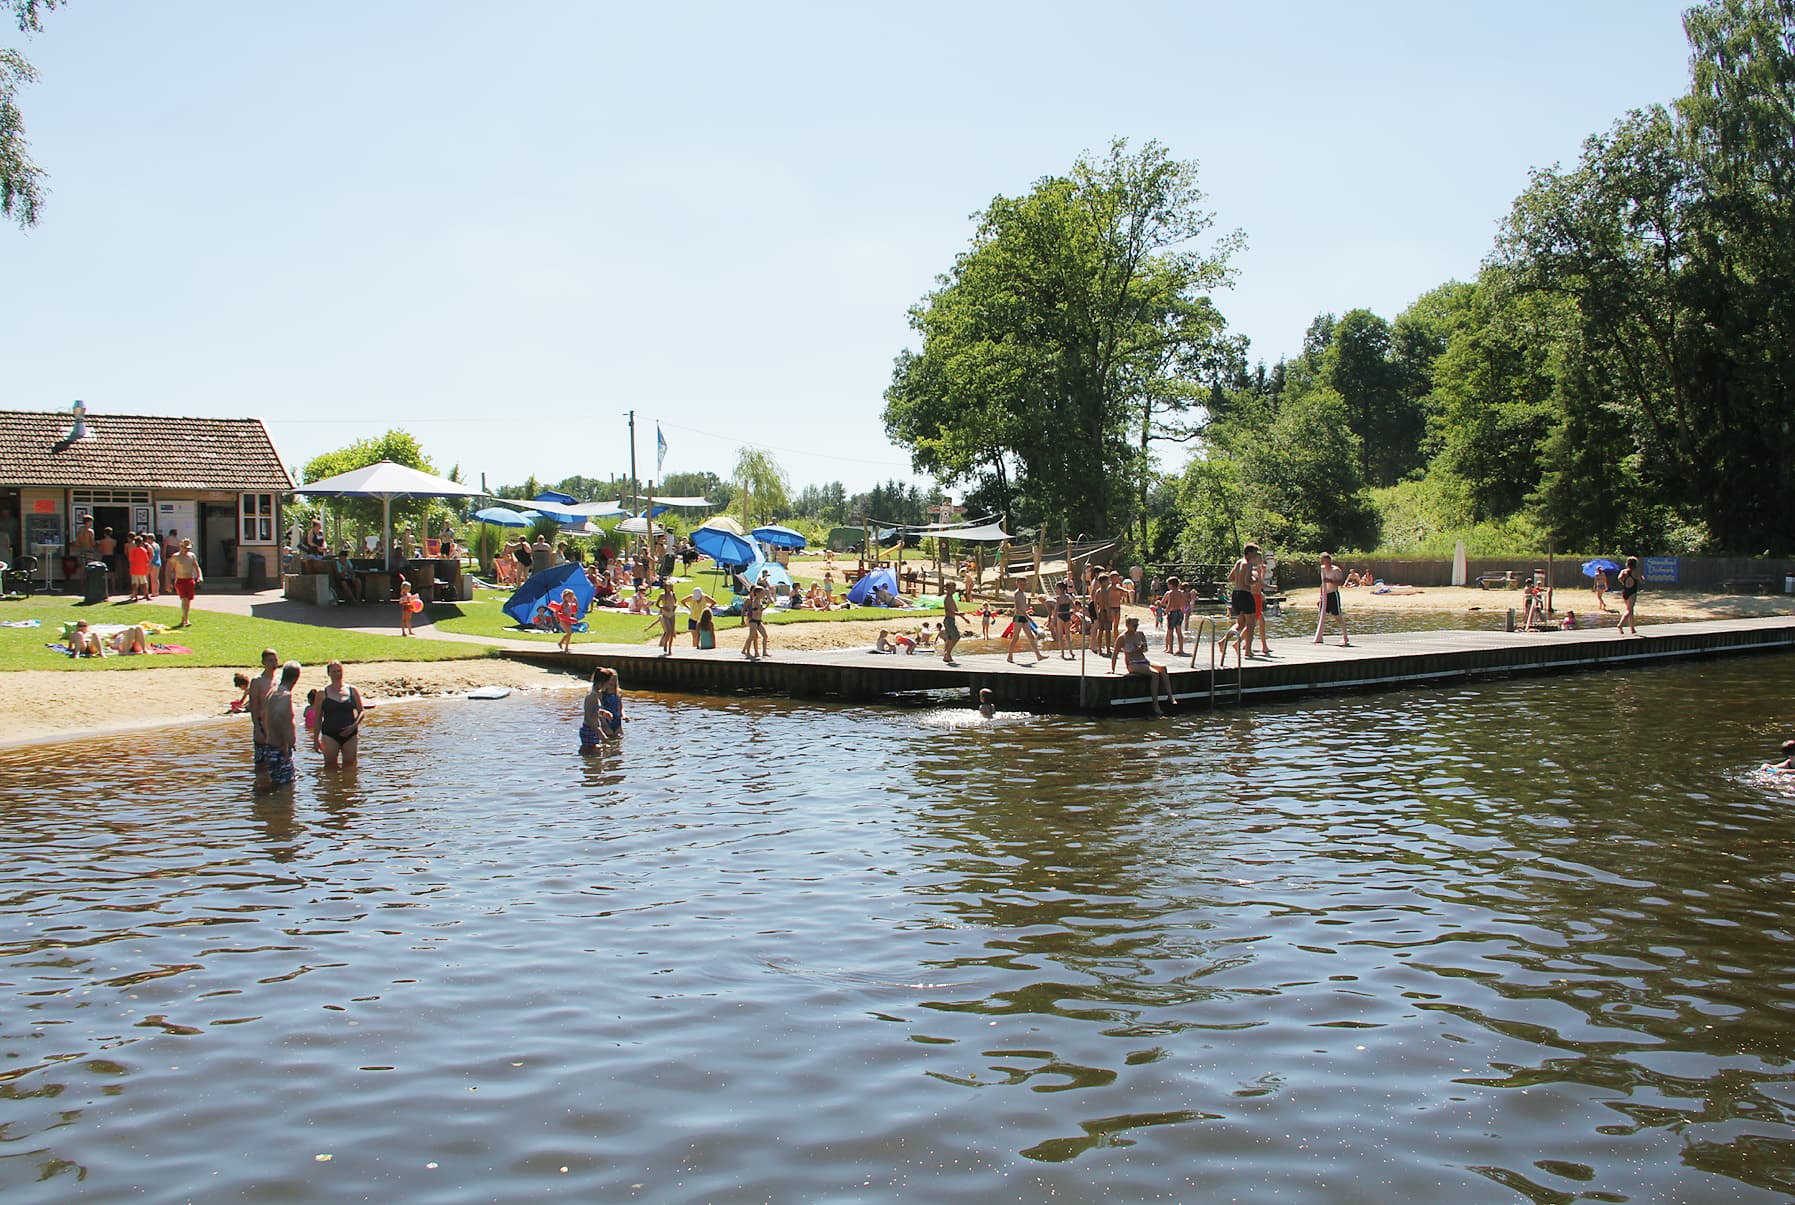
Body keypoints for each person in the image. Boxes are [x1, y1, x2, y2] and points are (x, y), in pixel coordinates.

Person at [1112, 615, 1175, 715]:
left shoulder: (1140, 634)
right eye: (1134, 625)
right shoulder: (1122, 638)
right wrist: (1113, 670)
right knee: (1155, 674)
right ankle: (1155, 704)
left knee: (1163, 668)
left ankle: (1170, 696)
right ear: (1127, 625)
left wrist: (1142, 648)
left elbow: (1146, 650)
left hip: (1144, 660)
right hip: (1133, 663)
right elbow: (1115, 654)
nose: (1136, 627)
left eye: (1137, 625)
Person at [315, 660, 365, 769]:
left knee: (350, 766)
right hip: (330, 734)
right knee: (330, 766)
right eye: (334, 672)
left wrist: (353, 726)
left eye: (339, 671)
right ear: (328, 674)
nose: (337, 674)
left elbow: (361, 712)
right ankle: (331, 786)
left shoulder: (352, 690)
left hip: (350, 734)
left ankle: (349, 786)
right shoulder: (322, 693)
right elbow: (318, 717)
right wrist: (315, 739)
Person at [261, 661, 302, 789]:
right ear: (296, 678)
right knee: (286, 788)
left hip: (269, 746)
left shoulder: (271, 692)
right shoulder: (285, 696)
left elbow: (265, 718)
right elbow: (285, 721)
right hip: (280, 749)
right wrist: (289, 745)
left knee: (275, 784)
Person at [1220, 543, 1263, 657]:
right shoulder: (1248, 564)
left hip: (1236, 594)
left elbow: (1230, 578)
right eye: (1254, 553)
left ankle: (1223, 641)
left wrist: (1240, 578)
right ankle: (1248, 650)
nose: (1256, 555)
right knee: (1251, 624)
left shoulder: (1239, 562)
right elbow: (1247, 582)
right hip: (1245, 594)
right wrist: (1255, 580)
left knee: (1240, 624)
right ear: (1249, 553)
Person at [247, 648, 280, 780]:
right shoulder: (257, 681)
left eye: (275, 660)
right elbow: (254, 706)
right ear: (263, 662)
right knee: (262, 763)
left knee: (277, 759)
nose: (274, 663)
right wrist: (257, 728)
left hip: (277, 724)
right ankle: (260, 786)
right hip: (262, 724)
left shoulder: (279, 680)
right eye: (270, 660)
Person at [580, 666, 623, 751]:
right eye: (608, 683)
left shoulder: (595, 693)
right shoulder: (592, 695)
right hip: (590, 730)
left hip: (592, 729)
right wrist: (601, 734)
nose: (608, 686)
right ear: (602, 682)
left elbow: (592, 710)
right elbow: (589, 718)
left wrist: (603, 712)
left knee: (597, 755)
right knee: (592, 754)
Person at [1313, 552, 1350, 646]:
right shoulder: (1322, 569)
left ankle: (1345, 637)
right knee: (1321, 616)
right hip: (1324, 595)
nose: (1321, 562)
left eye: (1322, 560)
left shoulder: (1336, 570)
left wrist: (1329, 580)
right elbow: (1322, 584)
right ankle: (1319, 636)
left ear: (1328, 560)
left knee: (1337, 617)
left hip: (1333, 595)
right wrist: (1320, 597)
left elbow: (1340, 582)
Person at [1006, 584, 1045, 663]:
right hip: (1018, 617)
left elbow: (1023, 606)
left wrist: (1028, 611)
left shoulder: (1024, 594)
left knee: (1031, 636)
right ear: (1017, 583)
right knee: (1015, 638)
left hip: (1024, 616)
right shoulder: (1017, 593)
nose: (1023, 586)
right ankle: (1009, 656)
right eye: (1021, 584)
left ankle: (1038, 656)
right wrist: (1027, 616)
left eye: (1024, 584)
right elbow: (1018, 608)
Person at [169, 538, 203, 628]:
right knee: (184, 600)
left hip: (190, 580)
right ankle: (185, 620)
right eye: (186, 548)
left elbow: (197, 567)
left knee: (188, 601)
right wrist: (168, 583)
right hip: (180, 580)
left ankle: (184, 618)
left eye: (189, 548)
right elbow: (169, 570)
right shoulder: (175, 557)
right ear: (181, 547)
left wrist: (200, 576)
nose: (187, 550)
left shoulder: (192, 556)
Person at [1161, 575, 1190, 656]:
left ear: (1170, 585)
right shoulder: (1181, 593)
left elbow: (1166, 603)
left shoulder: (1170, 593)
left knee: (1170, 631)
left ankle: (1170, 649)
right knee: (1179, 631)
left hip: (1172, 612)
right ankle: (1180, 649)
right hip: (1180, 612)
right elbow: (1185, 604)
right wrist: (1184, 610)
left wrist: (1166, 610)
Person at [941, 583, 968, 665]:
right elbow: (949, 610)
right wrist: (959, 614)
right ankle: (947, 653)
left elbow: (956, 610)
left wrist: (964, 618)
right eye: (952, 588)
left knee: (949, 638)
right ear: (947, 589)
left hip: (951, 620)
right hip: (949, 620)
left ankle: (946, 656)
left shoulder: (952, 598)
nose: (954, 590)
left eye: (954, 588)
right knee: (956, 637)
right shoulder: (948, 598)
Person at [741, 584, 769, 659]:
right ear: (757, 593)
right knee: (752, 637)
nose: (763, 595)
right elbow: (760, 609)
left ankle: (764, 652)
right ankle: (747, 651)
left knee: (765, 636)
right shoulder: (755, 601)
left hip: (759, 621)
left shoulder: (759, 601)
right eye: (762, 593)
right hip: (753, 621)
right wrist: (767, 605)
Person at [1615, 556, 1642, 636]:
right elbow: (1641, 580)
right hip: (1632, 592)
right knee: (1629, 610)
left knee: (1630, 610)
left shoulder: (1624, 571)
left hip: (1625, 591)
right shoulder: (1636, 571)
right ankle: (1620, 624)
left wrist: (1624, 582)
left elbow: (1619, 578)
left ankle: (1632, 628)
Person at [550, 587, 581, 653]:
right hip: (563, 620)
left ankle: (566, 647)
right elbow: (556, 611)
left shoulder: (570, 604)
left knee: (570, 634)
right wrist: (557, 619)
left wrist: (576, 600)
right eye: (569, 596)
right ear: (565, 597)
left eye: (572, 596)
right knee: (569, 633)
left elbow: (576, 609)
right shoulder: (563, 604)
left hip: (568, 620)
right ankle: (561, 643)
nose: (571, 598)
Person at [125, 534, 152, 602]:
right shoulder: (144, 551)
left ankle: (135, 596)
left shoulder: (133, 551)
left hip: (134, 570)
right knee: (144, 584)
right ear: (142, 542)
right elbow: (147, 561)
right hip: (142, 569)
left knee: (135, 584)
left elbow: (130, 560)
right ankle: (146, 595)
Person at [656, 581, 680, 656]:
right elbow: (657, 604)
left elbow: (676, 601)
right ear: (665, 587)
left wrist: (675, 605)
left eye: (671, 586)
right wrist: (662, 607)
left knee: (672, 631)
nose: (670, 588)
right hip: (665, 614)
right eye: (668, 586)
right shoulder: (662, 595)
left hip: (672, 614)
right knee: (668, 630)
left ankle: (670, 648)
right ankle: (665, 643)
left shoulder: (673, 594)